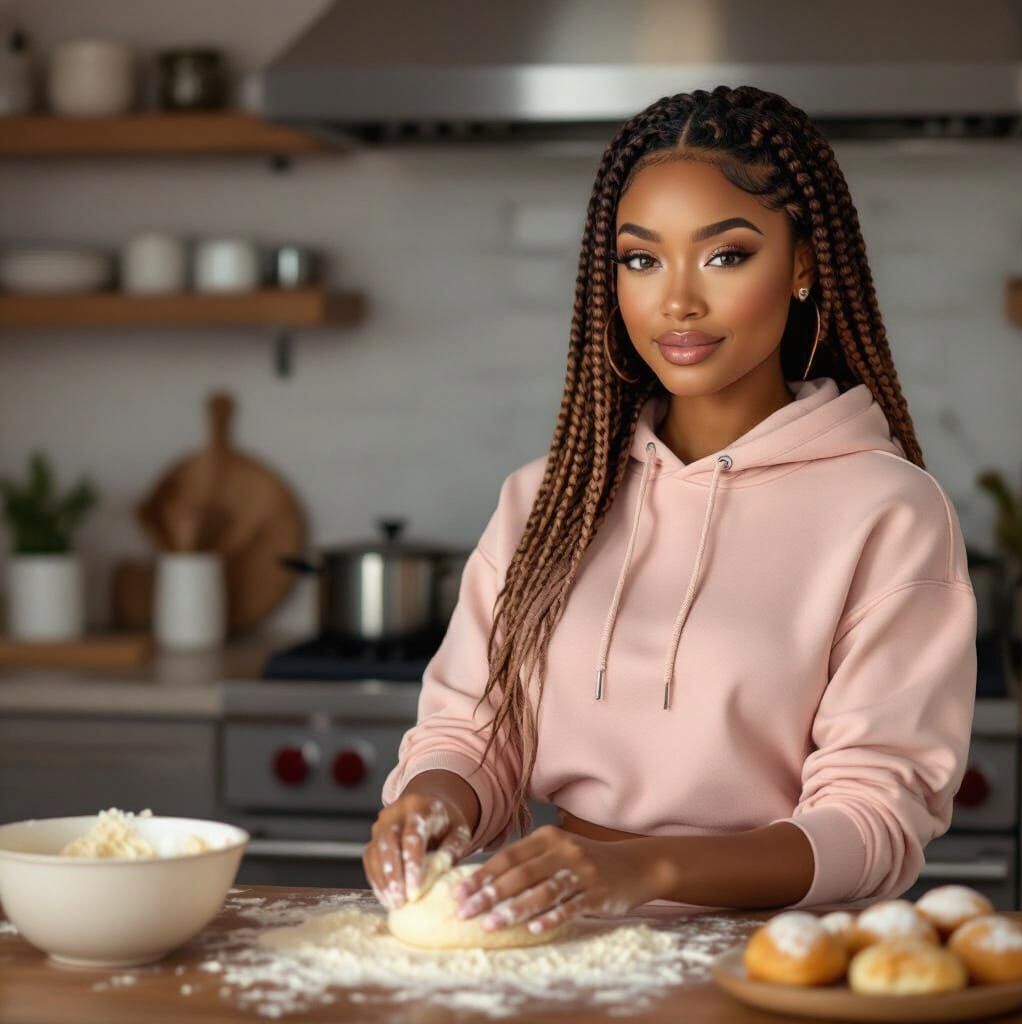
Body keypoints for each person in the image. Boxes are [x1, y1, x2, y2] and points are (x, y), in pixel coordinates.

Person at [362, 85, 977, 937]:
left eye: (725, 256)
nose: (676, 301)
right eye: (640, 259)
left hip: (774, 958)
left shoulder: (890, 511)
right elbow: (475, 733)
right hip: (559, 938)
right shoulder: (549, 497)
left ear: (802, 264)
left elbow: (874, 821)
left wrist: (644, 869)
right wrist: (432, 803)